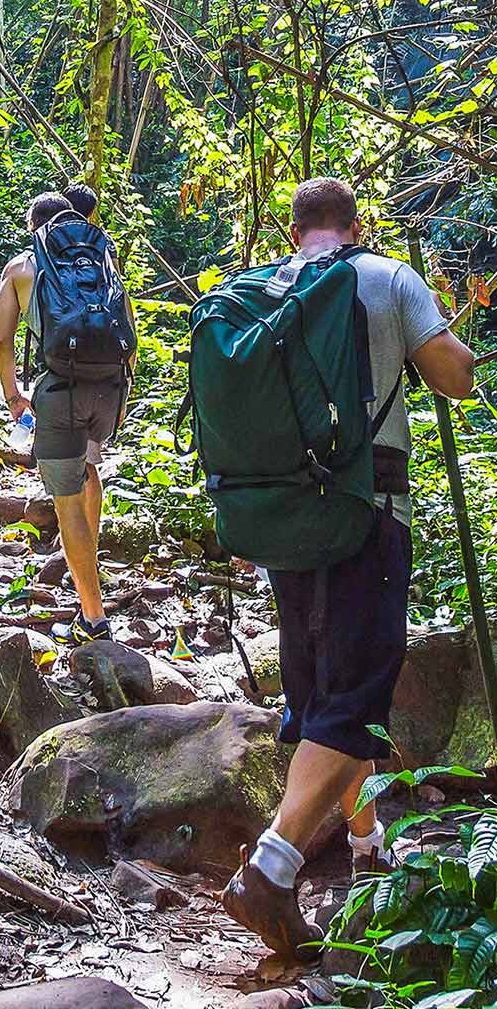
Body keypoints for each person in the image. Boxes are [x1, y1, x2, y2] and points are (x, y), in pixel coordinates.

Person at [221, 177, 474, 961]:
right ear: (356, 226)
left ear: (293, 230)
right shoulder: (386, 275)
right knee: (359, 692)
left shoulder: (263, 287)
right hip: (367, 511)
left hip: (284, 519)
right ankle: (272, 866)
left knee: (320, 692)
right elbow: (455, 374)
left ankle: (366, 845)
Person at [0, 184, 138, 644]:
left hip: (61, 390)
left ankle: (92, 619)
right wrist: (122, 389)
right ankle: (87, 571)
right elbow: (126, 324)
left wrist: (14, 395)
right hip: (109, 389)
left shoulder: (22, 267)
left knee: (67, 499)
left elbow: (2, 340)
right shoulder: (102, 262)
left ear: (35, 227)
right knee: (90, 469)